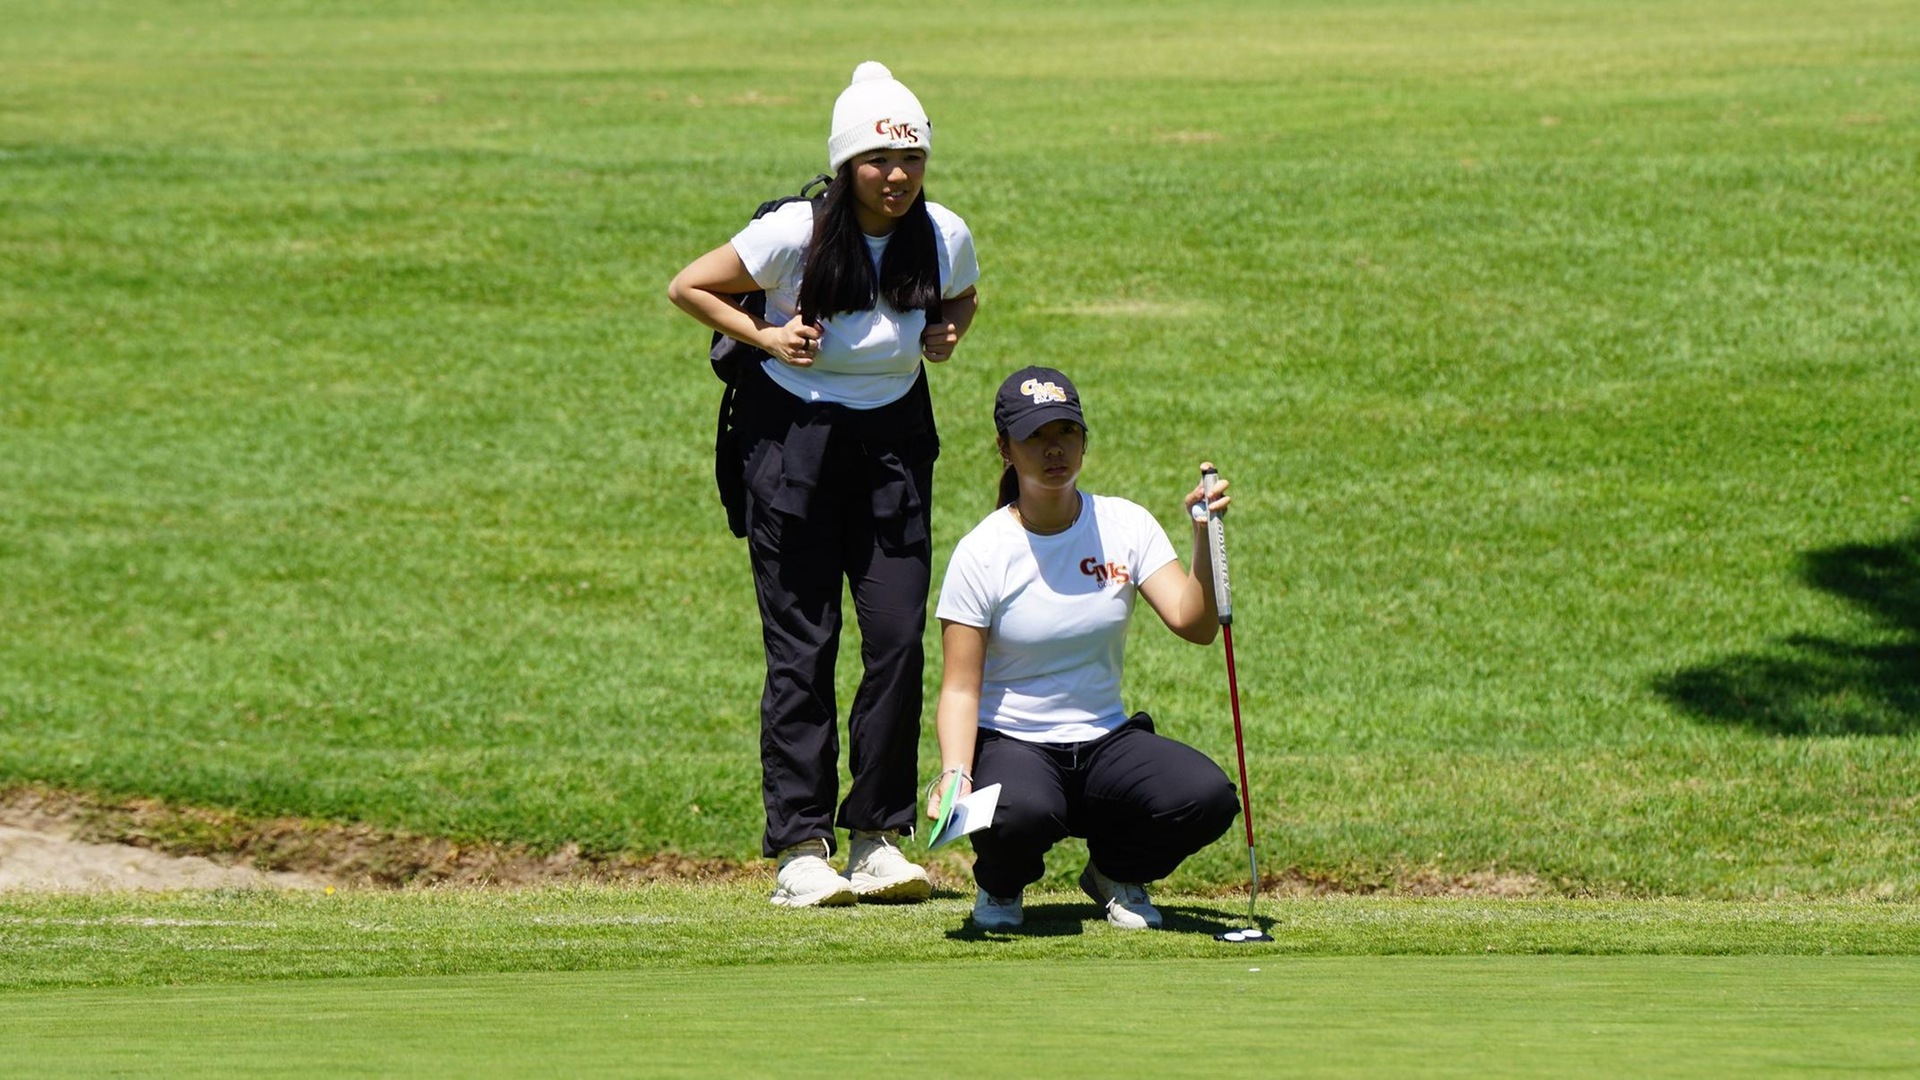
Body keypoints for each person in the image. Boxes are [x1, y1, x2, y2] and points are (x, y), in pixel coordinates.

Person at [667, 62, 980, 908]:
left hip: (893, 450)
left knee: (894, 641)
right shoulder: (793, 234)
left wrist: (949, 330)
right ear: (847, 165)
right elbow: (689, 285)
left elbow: (963, 295)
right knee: (802, 649)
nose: (897, 177)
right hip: (794, 447)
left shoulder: (942, 231)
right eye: (879, 161)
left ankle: (879, 838)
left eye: (911, 159)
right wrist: (763, 336)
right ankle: (801, 850)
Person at [926, 366, 1241, 930]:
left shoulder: (1126, 524)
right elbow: (958, 687)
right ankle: (999, 889)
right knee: (1019, 813)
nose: (1054, 449)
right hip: (1014, 743)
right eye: (1034, 437)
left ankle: (1114, 874)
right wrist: (955, 772)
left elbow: (1194, 624)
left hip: (1105, 741)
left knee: (1206, 797)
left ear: (1084, 440)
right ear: (1005, 449)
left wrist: (1201, 536)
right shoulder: (982, 551)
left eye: (1066, 433)